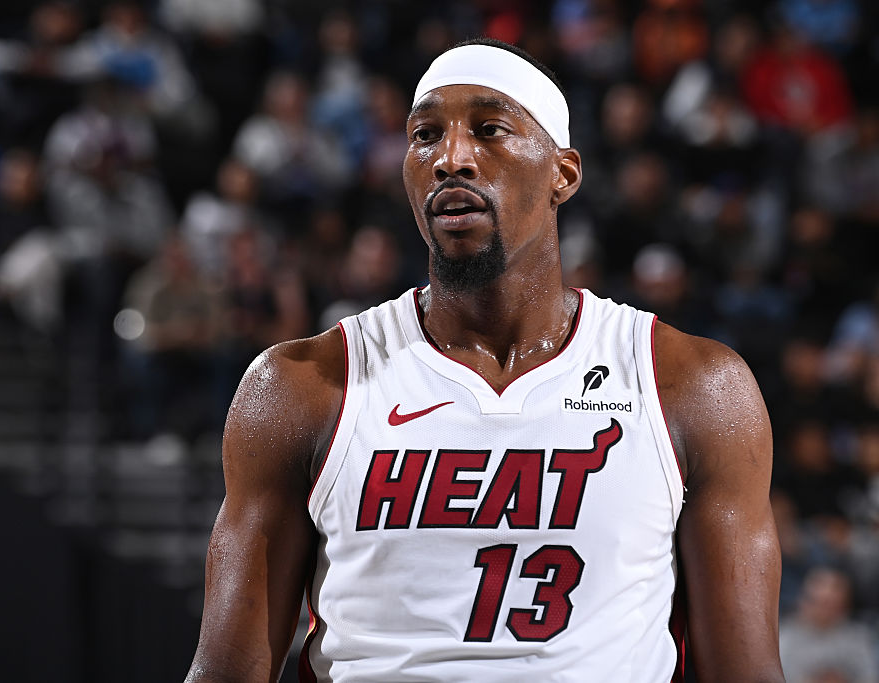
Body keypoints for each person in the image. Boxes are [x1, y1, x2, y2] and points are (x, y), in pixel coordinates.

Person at [187, 38, 784, 682]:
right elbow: (224, 672)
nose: (452, 158)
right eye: (425, 137)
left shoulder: (694, 386)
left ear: (563, 174)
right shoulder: (301, 387)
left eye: (490, 129)